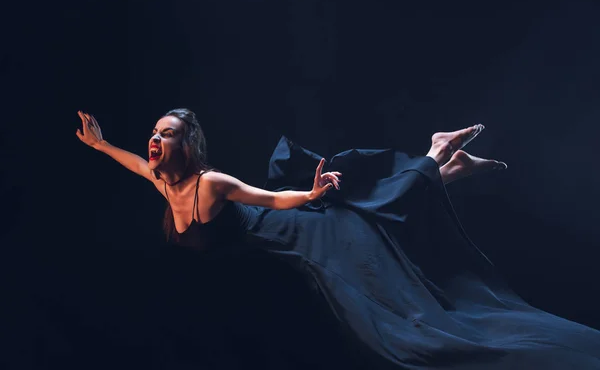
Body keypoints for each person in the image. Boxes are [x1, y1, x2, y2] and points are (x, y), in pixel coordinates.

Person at [76, 108, 600, 369]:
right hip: (276, 248)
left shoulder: (210, 183)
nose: (155, 138)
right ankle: (444, 164)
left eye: (167, 133)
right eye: (155, 131)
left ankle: (440, 156)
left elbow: (271, 200)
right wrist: (100, 145)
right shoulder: (163, 183)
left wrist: (310, 196)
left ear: (186, 145)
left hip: (298, 233)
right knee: (378, 213)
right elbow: (129, 163)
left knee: (370, 223)